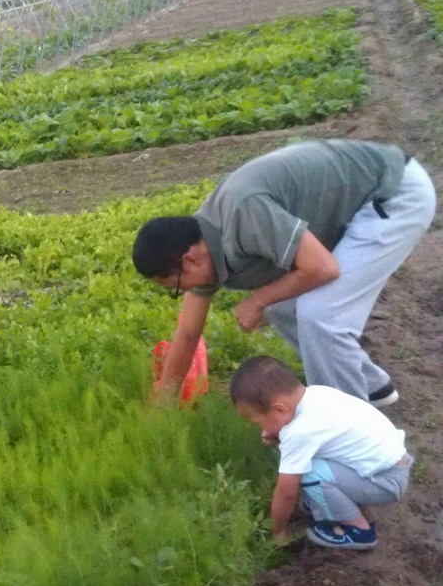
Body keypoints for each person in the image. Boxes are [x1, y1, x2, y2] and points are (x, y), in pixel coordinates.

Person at [131, 140, 436, 405]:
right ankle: (371, 387)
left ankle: (349, 433)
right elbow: (187, 334)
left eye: (177, 287)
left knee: (321, 316)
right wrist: (164, 407)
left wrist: (258, 299)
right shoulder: (203, 240)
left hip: (392, 194)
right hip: (359, 202)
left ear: (190, 260)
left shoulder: (243, 211)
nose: (184, 293)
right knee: (285, 307)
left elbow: (322, 268)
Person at [229, 355, 412, 550]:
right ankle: (331, 502)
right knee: (311, 463)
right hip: (395, 463)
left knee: (310, 473)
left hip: (385, 482)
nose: (259, 427)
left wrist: (278, 532)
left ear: (279, 410)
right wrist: (278, 432)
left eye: (257, 421)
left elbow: (286, 493)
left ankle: (359, 531)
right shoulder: (316, 394)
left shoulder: (300, 432)